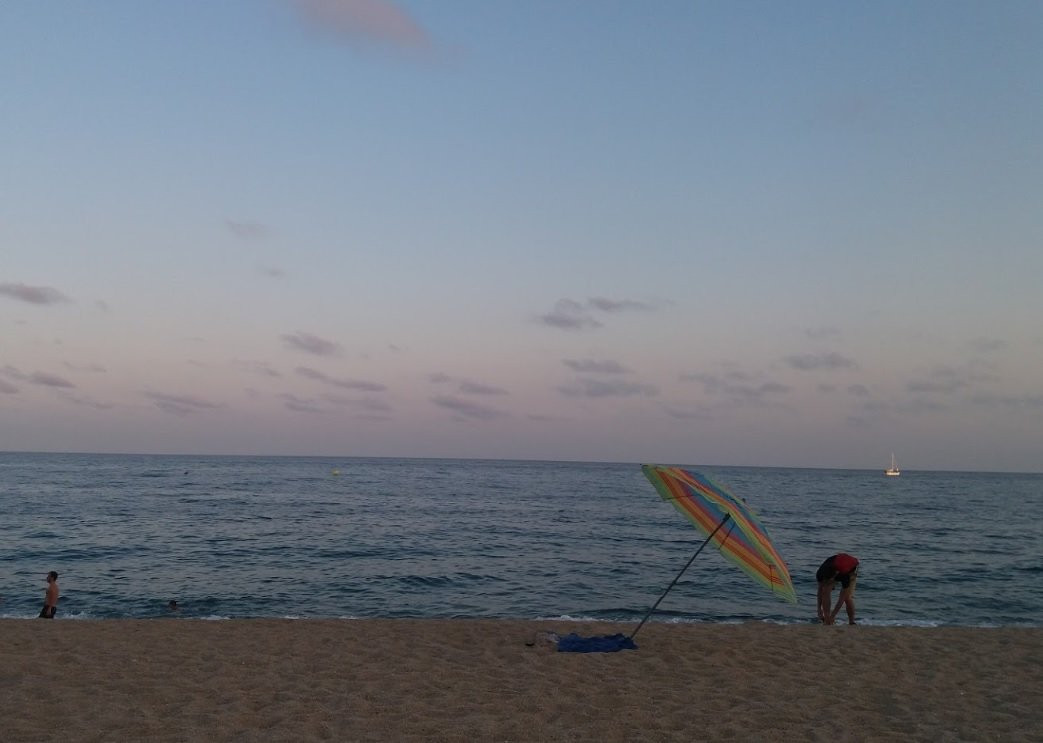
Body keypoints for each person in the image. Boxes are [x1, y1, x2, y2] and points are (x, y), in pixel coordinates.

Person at [816, 553, 858, 625]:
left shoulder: (845, 576)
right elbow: (820, 591)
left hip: (852, 567)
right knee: (825, 590)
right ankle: (826, 620)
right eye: (826, 581)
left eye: (829, 582)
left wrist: (833, 615)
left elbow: (842, 599)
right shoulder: (820, 574)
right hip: (835, 564)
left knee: (847, 598)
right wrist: (819, 610)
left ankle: (852, 622)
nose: (827, 583)